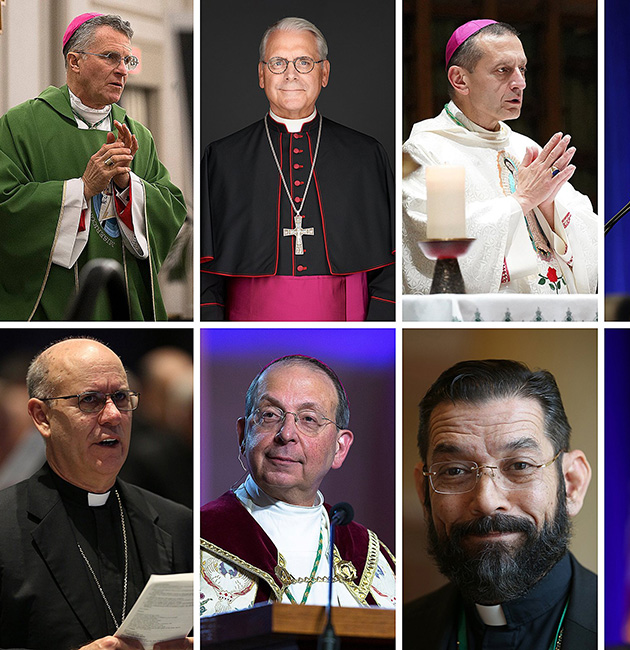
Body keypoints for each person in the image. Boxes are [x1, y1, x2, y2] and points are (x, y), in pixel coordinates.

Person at [0, 338, 192, 649]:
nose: (114, 415)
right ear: (42, 417)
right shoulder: (4, 526)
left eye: (120, 397)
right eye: (90, 400)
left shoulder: (178, 525)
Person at [201, 17, 394, 322]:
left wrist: (381, 324)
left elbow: (390, 264)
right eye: (278, 63)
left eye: (304, 62)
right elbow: (205, 271)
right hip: (251, 320)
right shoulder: (222, 157)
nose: (290, 74)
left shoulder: (365, 154)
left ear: (324, 72)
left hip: (348, 318)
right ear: (262, 74)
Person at [0, 13, 186, 321]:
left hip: (121, 302)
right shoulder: (20, 126)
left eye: (128, 60)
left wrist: (129, 185)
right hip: (53, 304)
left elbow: (171, 206)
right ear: (74, 61)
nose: (123, 70)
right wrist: (82, 189)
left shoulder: (137, 133)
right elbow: (6, 206)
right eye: (111, 57)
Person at [405, 360, 596, 648]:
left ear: (571, 483)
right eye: (455, 471)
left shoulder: (619, 630)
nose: (486, 501)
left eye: (520, 465)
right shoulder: (403, 633)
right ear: (424, 492)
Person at [402, 20, 600, 295]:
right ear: (460, 79)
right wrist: (521, 201)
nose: (520, 83)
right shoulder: (422, 151)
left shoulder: (526, 148)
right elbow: (434, 246)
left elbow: (589, 231)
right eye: (503, 70)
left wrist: (549, 209)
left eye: (522, 69)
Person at [200, 355, 395, 613]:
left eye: (309, 419)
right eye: (269, 415)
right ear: (243, 435)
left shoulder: (369, 552)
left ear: (340, 448)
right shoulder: (200, 535)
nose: (287, 434)